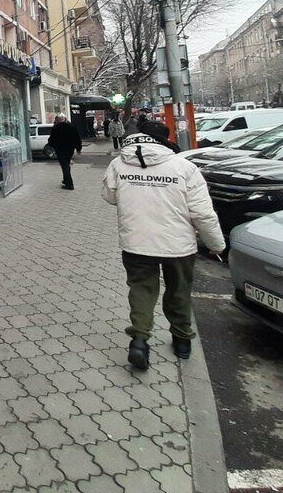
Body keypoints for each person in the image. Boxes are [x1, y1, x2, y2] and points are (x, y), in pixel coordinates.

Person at [102, 132, 225, 370]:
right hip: (177, 245)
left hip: (136, 242)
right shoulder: (184, 167)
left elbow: (109, 196)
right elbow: (202, 214)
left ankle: (139, 340)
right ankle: (182, 340)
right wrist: (216, 245)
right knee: (179, 291)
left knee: (141, 290)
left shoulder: (118, 164)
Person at [47, 113, 82, 190]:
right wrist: (78, 149)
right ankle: (66, 180)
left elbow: (51, 140)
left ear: (57, 121)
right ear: (64, 119)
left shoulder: (56, 128)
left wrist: (54, 146)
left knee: (65, 166)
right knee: (66, 164)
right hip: (70, 149)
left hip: (60, 150)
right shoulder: (72, 127)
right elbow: (77, 138)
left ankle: (69, 184)